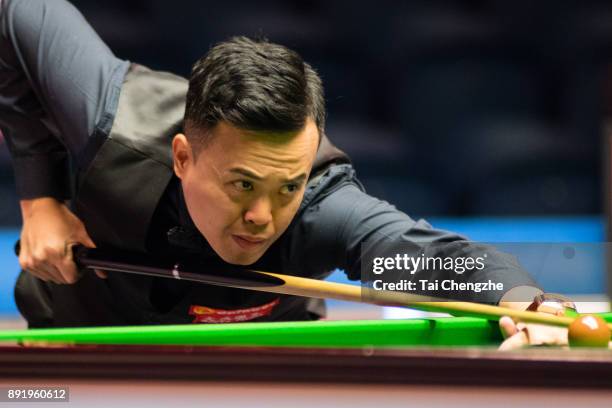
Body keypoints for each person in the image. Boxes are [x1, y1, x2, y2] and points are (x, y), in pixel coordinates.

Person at [0, 0, 568, 347]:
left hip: (260, 366)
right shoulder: (111, 118)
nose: (261, 217)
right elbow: (16, 12)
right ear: (182, 157)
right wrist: (40, 195)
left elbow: (436, 261)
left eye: (286, 187)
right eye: (241, 184)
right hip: (79, 357)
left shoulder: (324, 207)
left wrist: (529, 303)